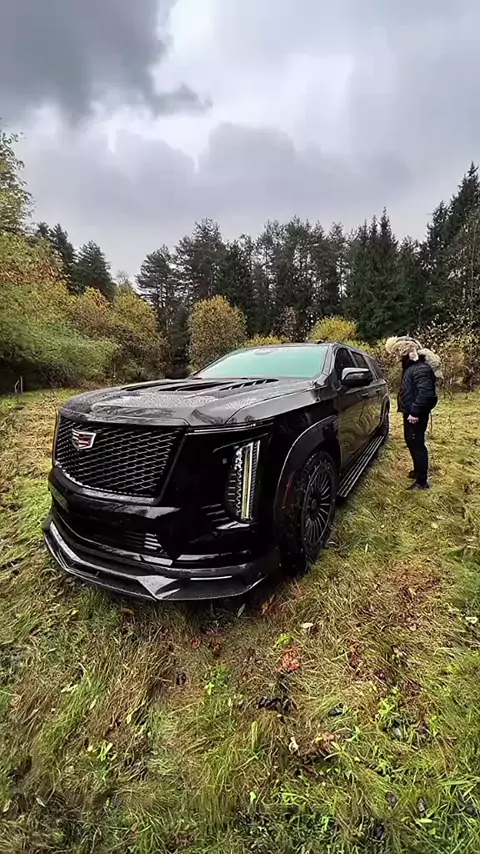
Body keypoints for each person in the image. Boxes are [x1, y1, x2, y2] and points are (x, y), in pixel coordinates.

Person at [385, 337, 441, 490]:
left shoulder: (420, 369)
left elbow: (426, 394)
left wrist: (415, 412)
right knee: (411, 441)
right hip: (411, 412)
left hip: (416, 414)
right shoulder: (411, 367)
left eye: (397, 354)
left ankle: (422, 482)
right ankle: (418, 471)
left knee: (417, 444)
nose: (396, 358)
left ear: (404, 353)